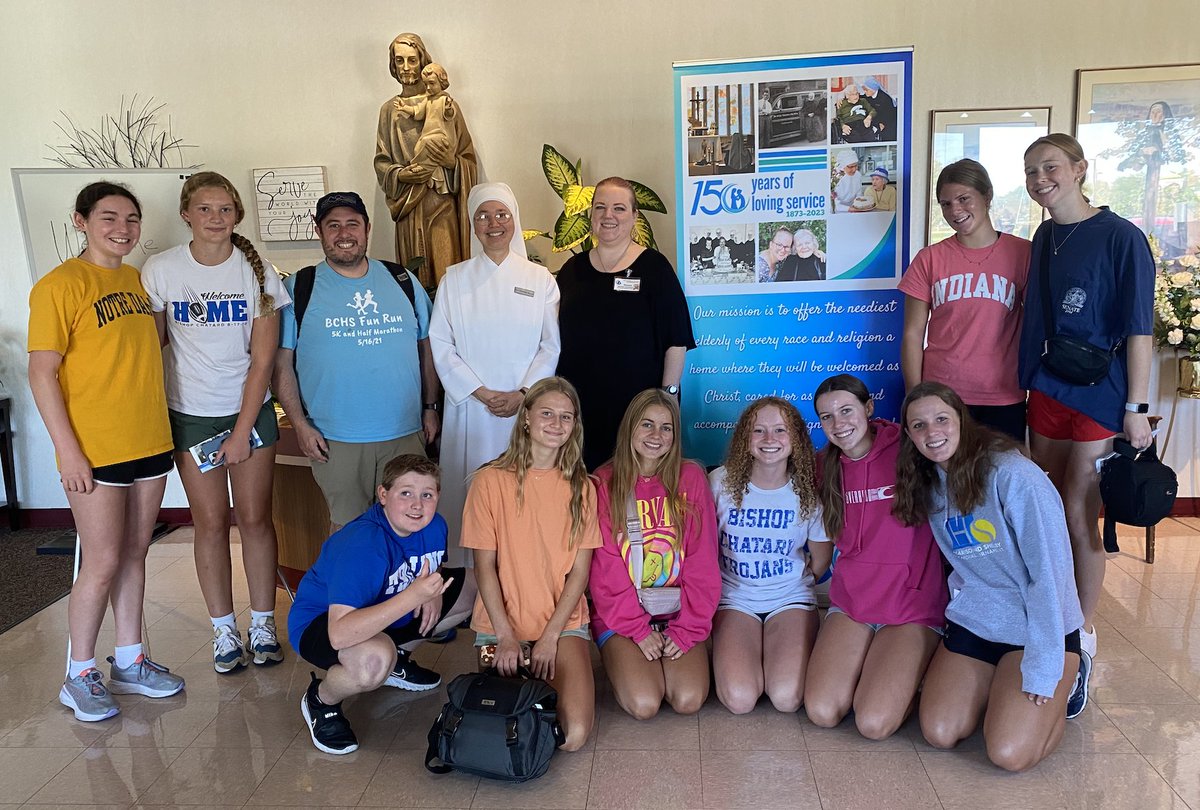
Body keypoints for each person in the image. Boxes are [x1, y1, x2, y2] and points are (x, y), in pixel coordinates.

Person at [29, 182, 185, 722]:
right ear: (81, 221)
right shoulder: (59, 285)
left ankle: (130, 659)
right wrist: (67, 450)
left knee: (135, 554)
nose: (122, 228)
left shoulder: (139, 282)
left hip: (150, 439)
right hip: (97, 448)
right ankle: (78, 674)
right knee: (100, 562)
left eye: (132, 219)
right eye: (109, 217)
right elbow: (42, 373)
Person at [1018, 133, 1154, 716]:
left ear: (1078, 169)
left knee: (1078, 509)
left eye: (1049, 167)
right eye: (1030, 171)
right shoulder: (1044, 237)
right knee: (1044, 506)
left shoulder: (1123, 238)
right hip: (1048, 388)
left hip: (1101, 395)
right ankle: (1048, 616)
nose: (1039, 178)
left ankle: (1084, 634)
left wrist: (1138, 410)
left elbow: (1140, 329)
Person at [141, 172, 290, 673]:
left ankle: (263, 623)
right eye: (205, 209)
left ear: (237, 215)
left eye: (225, 209)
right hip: (190, 414)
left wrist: (243, 430)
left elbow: (262, 361)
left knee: (254, 519)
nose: (215, 218)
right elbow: (146, 348)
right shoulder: (160, 269)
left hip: (248, 411)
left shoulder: (259, 273)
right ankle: (224, 630)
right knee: (208, 523)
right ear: (186, 213)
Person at [894, 382, 1084, 771]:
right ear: (910, 435)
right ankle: (998, 684)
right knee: (939, 732)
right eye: (919, 425)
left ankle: (1072, 675)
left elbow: (1051, 577)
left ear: (962, 420)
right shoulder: (929, 484)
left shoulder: (1013, 475)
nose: (932, 433)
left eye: (942, 419)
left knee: (1009, 754)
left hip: (1036, 628)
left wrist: (1044, 667)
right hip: (978, 623)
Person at [274, 190, 441, 536]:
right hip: (337, 440)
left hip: (404, 434)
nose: (344, 233)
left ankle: (411, 593)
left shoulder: (402, 281)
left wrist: (429, 407)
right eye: (333, 225)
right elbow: (281, 365)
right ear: (318, 231)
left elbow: (427, 349)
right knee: (349, 533)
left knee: (411, 528)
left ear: (367, 228)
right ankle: (350, 594)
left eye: (352, 224)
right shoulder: (298, 288)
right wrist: (300, 425)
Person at [288, 454, 474, 755]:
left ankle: (397, 661)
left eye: (427, 494)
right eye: (406, 493)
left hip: (386, 608)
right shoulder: (363, 543)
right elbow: (339, 634)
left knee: (471, 587)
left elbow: (432, 565)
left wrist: (436, 588)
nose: (417, 504)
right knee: (373, 660)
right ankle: (323, 700)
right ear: (383, 495)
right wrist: (415, 597)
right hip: (322, 624)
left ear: (438, 496)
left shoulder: (434, 525)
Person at [803, 375, 948, 739]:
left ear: (868, 408)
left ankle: (916, 673)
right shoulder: (824, 467)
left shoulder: (910, 449)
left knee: (873, 723)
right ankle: (878, 669)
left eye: (847, 410)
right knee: (822, 710)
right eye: (826, 417)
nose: (839, 424)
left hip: (912, 607)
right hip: (853, 604)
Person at [460, 378, 601, 751]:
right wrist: (506, 637)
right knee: (508, 719)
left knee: (572, 736)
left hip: (561, 623)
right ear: (525, 418)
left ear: (575, 426)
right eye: (547, 414)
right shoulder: (488, 481)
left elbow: (579, 574)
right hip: (501, 624)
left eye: (566, 417)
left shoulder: (582, 487)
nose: (557, 424)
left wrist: (551, 636)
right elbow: (483, 569)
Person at [430, 181, 560, 573]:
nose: (493, 223)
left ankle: (523, 574)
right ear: (473, 225)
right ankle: (471, 583)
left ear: (514, 220)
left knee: (522, 491)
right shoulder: (454, 279)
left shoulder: (540, 280)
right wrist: (481, 393)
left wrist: (523, 394)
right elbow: (440, 343)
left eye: (501, 214)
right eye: (483, 216)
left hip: (524, 411)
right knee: (472, 493)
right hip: (471, 408)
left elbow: (550, 346)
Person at [590, 390, 720, 720]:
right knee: (645, 703)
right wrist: (638, 630)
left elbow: (702, 562)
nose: (656, 436)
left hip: (678, 612)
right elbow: (605, 570)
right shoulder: (603, 483)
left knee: (688, 699)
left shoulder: (691, 477)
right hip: (622, 616)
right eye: (647, 425)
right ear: (629, 428)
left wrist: (687, 628)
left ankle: (671, 655)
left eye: (666, 428)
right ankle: (626, 662)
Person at [555, 177, 695, 470]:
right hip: (579, 411)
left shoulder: (655, 268)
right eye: (600, 207)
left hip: (638, 412)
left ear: (634, 217)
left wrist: (667, 400)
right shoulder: (571, 271)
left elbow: (676, 341)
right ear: (590, 215)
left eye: (619, 208)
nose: (609, 216)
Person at [709, 397, 831, 714]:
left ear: (796, 439)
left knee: (787, 697)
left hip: (789, 598)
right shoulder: (719, 483)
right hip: (735, 597)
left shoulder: (809, 491)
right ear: (744, 439)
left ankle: (774, 650)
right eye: (758, 430)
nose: (769, 440)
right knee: (740, 699)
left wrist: (792, 581)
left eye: (780, 430)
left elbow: (820, 556)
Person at [900, 159, 1030, 442]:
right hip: (942, 398)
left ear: (986, 196)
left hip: (1003, 394)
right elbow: (912, 334)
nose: (955, 210)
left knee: (1001, 479)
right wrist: (915, 397)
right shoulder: (929, 259)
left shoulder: (1023, 253)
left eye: (963, 199)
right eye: (946, 204)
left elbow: (1037, 324)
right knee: (945, 483)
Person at [375, 32, 479, 287]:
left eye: (412, 59)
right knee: (415, 277)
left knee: (447, 274)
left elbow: (467, 158)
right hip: (408, 207)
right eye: (400, 60)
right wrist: (402, 175)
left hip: (441, 204)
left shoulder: (445, 103)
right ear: (393, 64)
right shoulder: (389, 110)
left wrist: (451, 163)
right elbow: (381, 163)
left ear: (422, 61)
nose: (406, 67)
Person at [392, 63, 459, 198]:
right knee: (419, 148)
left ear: (442, 82)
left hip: (440, 135)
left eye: (432, 83)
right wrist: (404, 107)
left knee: (430, 147)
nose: (428, 88)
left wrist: (448, 108)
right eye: (426, 84)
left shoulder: (444, 99)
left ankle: (428, 171)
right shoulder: (428, 101)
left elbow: (450, 114)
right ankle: (428, 171)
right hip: (428, 134)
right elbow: (417, 112)